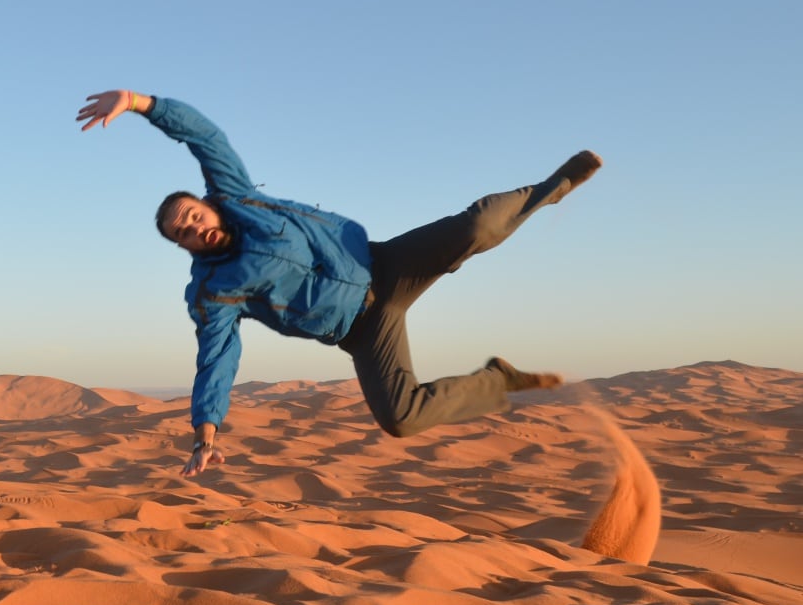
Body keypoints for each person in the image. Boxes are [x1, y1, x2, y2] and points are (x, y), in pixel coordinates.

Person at [77, 90, 602, 477]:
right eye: (182, 232)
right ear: (183, 247)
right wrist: (204, 434)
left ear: (206, 205)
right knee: (400, 418)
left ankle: (554, 187)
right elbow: (216, 359)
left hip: (386, 266)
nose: (192, 227)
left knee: (477, 228)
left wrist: (140, 103)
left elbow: (205, 138)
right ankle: (498, 381)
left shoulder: (238, 197)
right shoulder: (212, 293)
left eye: (191, 215)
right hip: (361, 331)